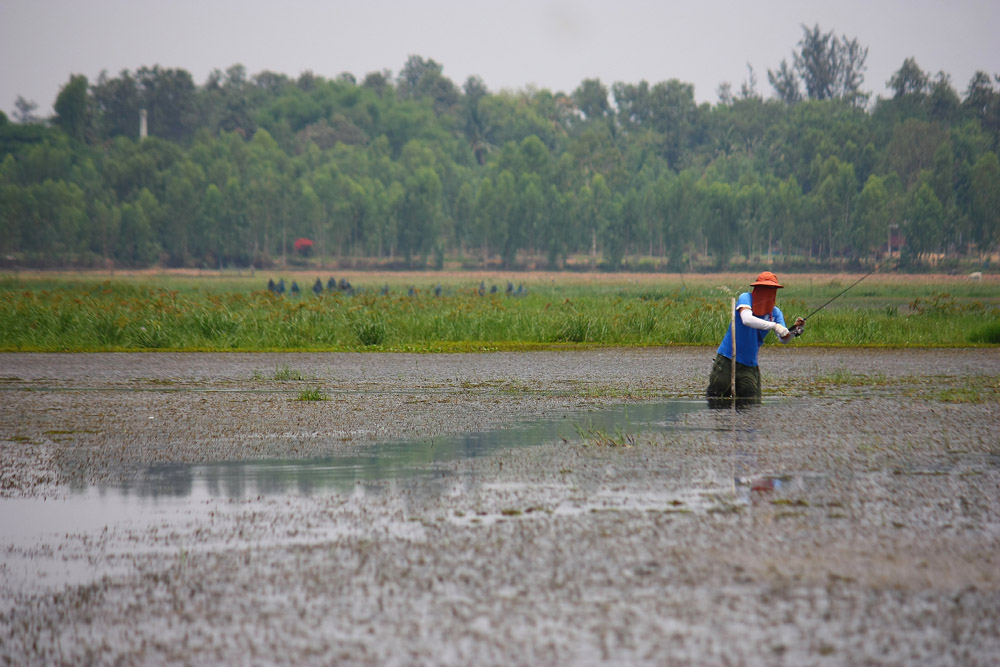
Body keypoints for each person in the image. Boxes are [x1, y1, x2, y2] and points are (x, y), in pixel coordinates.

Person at [706, 271, 805, 405]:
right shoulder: (746, 299)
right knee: (716, 398)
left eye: (772, 289)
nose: (768, 292)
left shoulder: (775, 313)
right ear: (757, 288)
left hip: (749, 365)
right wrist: (775, 326)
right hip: (727, 359)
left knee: (750, 403)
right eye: (764, 288)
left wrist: (792, 332)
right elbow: (747, 319)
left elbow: (783, 339)